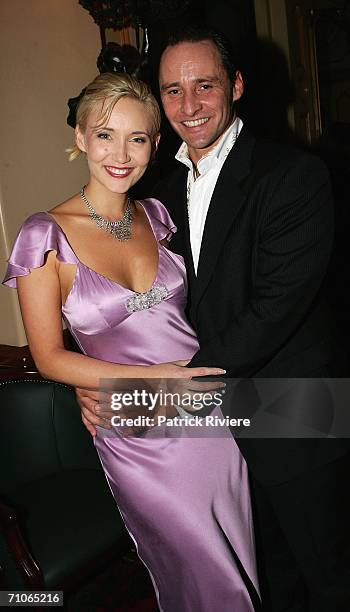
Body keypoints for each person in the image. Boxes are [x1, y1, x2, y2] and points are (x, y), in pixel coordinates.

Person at [78, 27, 350, 612]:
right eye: (172, 90)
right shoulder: (155, 191)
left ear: (237, 86)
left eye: (205, 85)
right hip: (207, 423)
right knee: (256, 576)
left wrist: (136, 398)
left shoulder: (294, 176)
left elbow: (269, 315)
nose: (189, 104)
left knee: (328, 576)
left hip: (292, 410)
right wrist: (94, 384)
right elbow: (134, 309)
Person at [3, 72, 261, 611]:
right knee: (203, 567)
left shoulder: (158, 215)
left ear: (156, 144)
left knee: (236, 558)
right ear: (80, 137)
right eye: (104, 134)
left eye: (137, 138)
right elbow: (49, 358)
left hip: (211, 412)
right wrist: (145, 380)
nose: (121, 153)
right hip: (136, 424)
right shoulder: (43, 235)